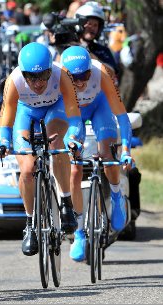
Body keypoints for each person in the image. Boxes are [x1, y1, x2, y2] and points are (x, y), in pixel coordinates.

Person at [0, 42, 82, 256]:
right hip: (26, 113)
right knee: (27, 168)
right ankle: (30, 224)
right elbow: (5, 124)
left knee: (55, 143)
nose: (38, 83)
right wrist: (3, 142)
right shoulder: (14, 81)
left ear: (50, 70)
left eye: (43, 76)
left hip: (56, 109)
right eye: (31, 77)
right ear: (23, 74)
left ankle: (66, 202)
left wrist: (73, 138)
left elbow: (75, 118)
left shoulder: (62, 75)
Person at [61, 46, 133, 261]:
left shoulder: (101, 72)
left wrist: (127, 150)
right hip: (73, 115)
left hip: (99, 108)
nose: (81, 82)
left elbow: (121, 115)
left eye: (85, 75)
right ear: (66, 73)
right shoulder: (57, 76)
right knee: (74, 169)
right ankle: (79, 232)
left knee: (107, 155)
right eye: (75, 78)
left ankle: (117, 195)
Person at [75, 1, 119, 77]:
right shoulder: (70, 46)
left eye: (95, 25)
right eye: (89, 24)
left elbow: (112, 74)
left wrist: (88, 54)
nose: (92, 28)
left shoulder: (103, 50)